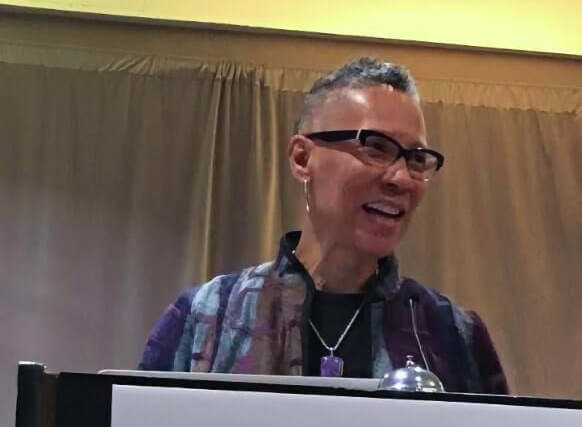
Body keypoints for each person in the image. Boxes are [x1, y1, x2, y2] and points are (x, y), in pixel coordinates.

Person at [139, 57, 508, 393]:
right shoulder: (207, 317)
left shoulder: (453, 336)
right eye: (376, 147)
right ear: (302, 158)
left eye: (417, 158)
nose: (402, 178)